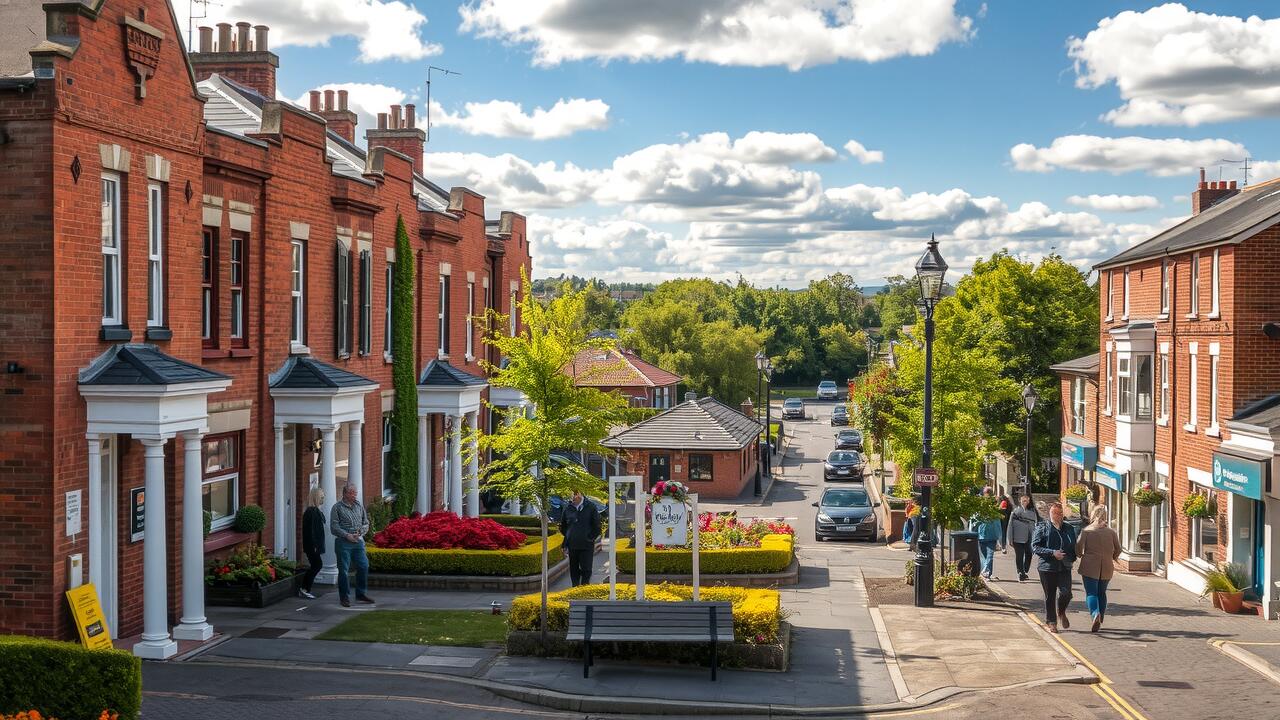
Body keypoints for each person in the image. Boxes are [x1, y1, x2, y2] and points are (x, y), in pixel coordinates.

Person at [1032, 502, 1077, 633]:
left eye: (1059, 513)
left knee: (1066, 593)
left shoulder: (1068, 528)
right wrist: (1052, 553)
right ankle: (1051, 622)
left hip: (1064, 566)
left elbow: (1073, 546)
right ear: (1050, 513)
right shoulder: (1042, 527)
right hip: (1047, 567)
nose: (1057, 515)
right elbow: (1035, 547)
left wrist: (1071, 558)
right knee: (1050, 595)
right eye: (1054, 513)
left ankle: (1061, 612)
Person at [1077, 505, 1122, 632]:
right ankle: (1101, 616)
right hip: (1107, 566)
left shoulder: (1087, 531)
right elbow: (1118, 549)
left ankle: (1095, 614)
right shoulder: (1111, 532)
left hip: (1090, 566)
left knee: (1091, 593)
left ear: (1093, 514)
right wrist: (1113, 556)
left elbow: (1079, 546)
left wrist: (1080, 555)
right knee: (1102, 592)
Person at [329, 482, 374, 608]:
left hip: (358, 542)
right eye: (352, 493)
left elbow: (366, 522)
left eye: (355, 493)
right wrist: (347, 535)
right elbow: (334, 527)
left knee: (364, 565)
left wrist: (360, 533)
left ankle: (360, 594)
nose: (354, 495)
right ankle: (344, 597)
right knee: (343, 570)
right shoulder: (337, 507)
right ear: (344, 494)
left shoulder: (359, 505)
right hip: (343, 542)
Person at [559, 491, 601, 586]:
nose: (572, 498)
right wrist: (570, 537)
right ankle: (575, 588)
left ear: (580, 494)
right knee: (574, 569)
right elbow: (563, 526)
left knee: (586, 569)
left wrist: (590, 538)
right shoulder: (567, 508)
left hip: (586, 545)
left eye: (574, 495)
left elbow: (597, 526)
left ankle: (585, 589)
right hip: (572, 545)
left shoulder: (591, 507)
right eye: (571, 495)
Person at [299, 486, 326, 599]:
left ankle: (305, 588)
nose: (323, 499)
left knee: (316, 565)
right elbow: (311, 531)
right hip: (312, 546)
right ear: (316, 498)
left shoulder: (313, 511)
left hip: (312, 545)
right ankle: (304, 589)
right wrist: (314, 545)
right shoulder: (312, 512)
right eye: (321, 497)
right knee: (317, 565)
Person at [1009, 494, 1040, 582]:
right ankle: (1020, 572)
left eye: (1026, 500)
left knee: (1029, 554)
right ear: (1020, 501)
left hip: (1030, 537)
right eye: (1023, 500)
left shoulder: (1032, 512)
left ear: (1029, 501)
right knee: (1019, 556)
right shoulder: (1015, 512)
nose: (1025, 502)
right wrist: (1010, 539)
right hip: (1017, 538)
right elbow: (1010, 526)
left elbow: (1036, 525)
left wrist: (1036, 538)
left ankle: (1025, 570)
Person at [973, 488, 1003, 580]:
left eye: (988, 493)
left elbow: (997, 522)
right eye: (986, 493)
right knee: (986, 557)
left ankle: (985, 572)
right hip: (982, 535)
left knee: (989, 556)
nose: (987, 495)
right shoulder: (981, 506)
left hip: (991, 536)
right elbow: (975, 520)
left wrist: (999, 538)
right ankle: (988, 574)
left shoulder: (994, 506)